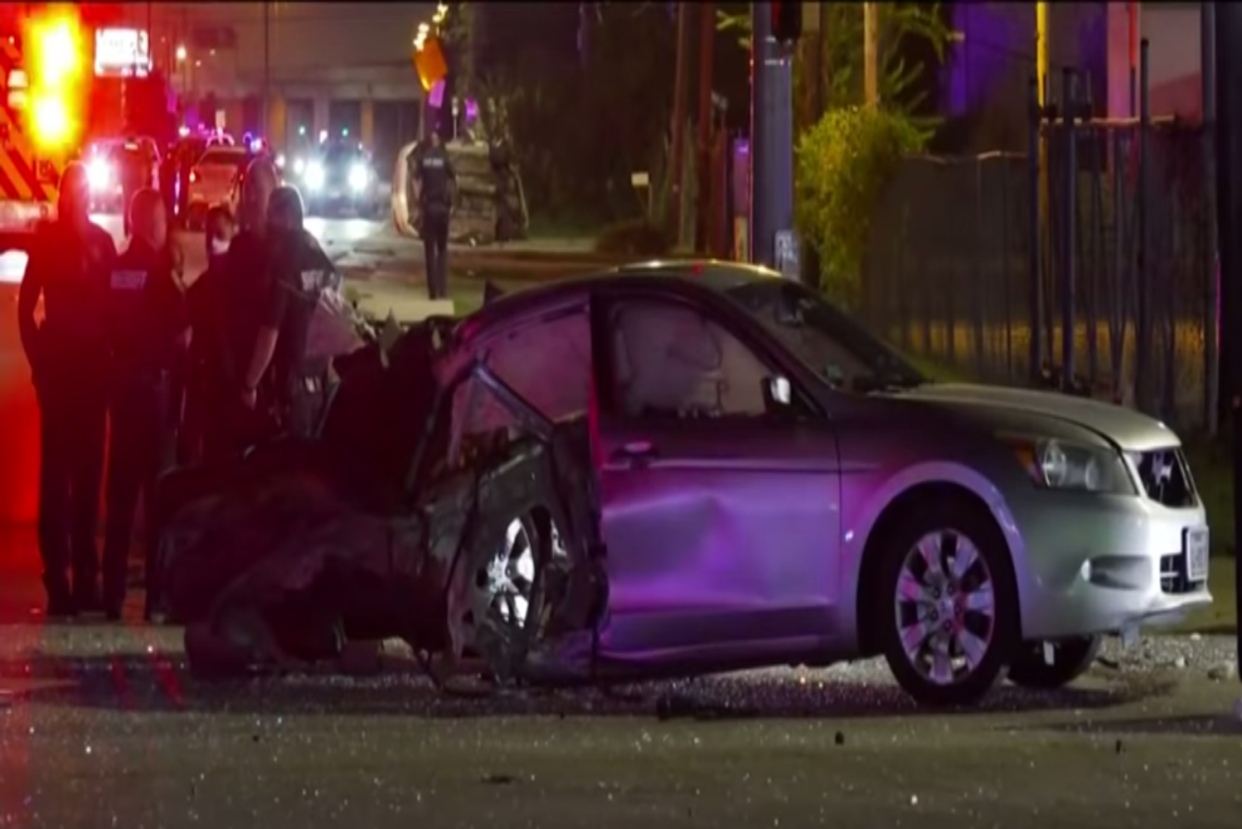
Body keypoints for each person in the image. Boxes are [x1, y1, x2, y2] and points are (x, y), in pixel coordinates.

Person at [17, 162, 117, 617]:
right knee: (57, 479)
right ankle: (59, 579)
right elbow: (25, 307)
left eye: (83, 191)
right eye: (72, 191)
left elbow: (120, 308)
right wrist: (39, 361)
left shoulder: (102, 244)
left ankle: (85, 577)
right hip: (60, 373)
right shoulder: (49, 243)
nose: (78, 198)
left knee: (88, 476)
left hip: (93, 374)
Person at [100, 189, 191, 620]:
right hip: (154, 398)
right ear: (151, 224)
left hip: (122, 393)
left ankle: (112, 593)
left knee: (119, 500)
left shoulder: (115, 269)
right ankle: (156, 598)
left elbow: (104, 326)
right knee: (158, 502)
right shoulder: (159, 271)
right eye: (161, 221)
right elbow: (184, 334)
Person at [239, 185, 335, 438]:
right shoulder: (322, 260)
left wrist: (250, 383)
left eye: (273, 216)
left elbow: (269, 333)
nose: (269, 224)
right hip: (320, 388)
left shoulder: (283, 263)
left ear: (289, 218)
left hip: (291, 391)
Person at [206, 156, 280, 459]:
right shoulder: (239, 248)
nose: (249, 196)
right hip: (238, 380)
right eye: (247, 187)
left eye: (257, 188)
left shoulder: (282, 248)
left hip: (269, 383)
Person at [181, 206, 236, 465]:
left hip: (229, 389)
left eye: (219, 234)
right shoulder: (200, 288)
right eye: (208, 236)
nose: (212, 243)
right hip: (203, 386)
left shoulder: (242, 285)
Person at [412, 131, 456, 300]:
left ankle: (432, 292)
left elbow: (415, 179)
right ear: (439, 141)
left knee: (429, 250)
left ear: (430, 141)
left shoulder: (424, 158)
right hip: (443, 208)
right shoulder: (444, 158)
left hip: (429, 208)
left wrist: (418, 199)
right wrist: (452, 203)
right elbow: (454, 179)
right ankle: (443, 289)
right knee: (443, 249)